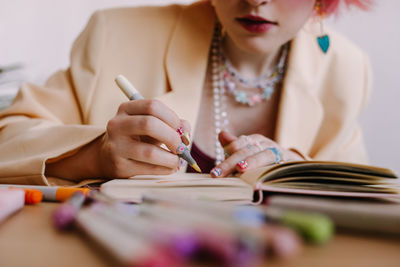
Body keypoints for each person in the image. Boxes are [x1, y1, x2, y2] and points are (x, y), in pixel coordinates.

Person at [0, 0, 372, 185]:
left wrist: (292, 167)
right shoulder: (115, 34)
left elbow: (370, 192)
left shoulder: (345, 69)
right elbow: (9, 139)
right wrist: (93, 157)